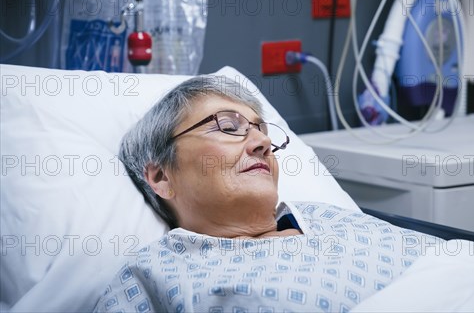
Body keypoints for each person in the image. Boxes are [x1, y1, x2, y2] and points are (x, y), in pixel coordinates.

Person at [93, 75, 437, 312]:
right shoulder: (159, 274)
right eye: (229, 128)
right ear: (161, 176)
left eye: (261, 130)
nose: (263, 142)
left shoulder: (330, 218)